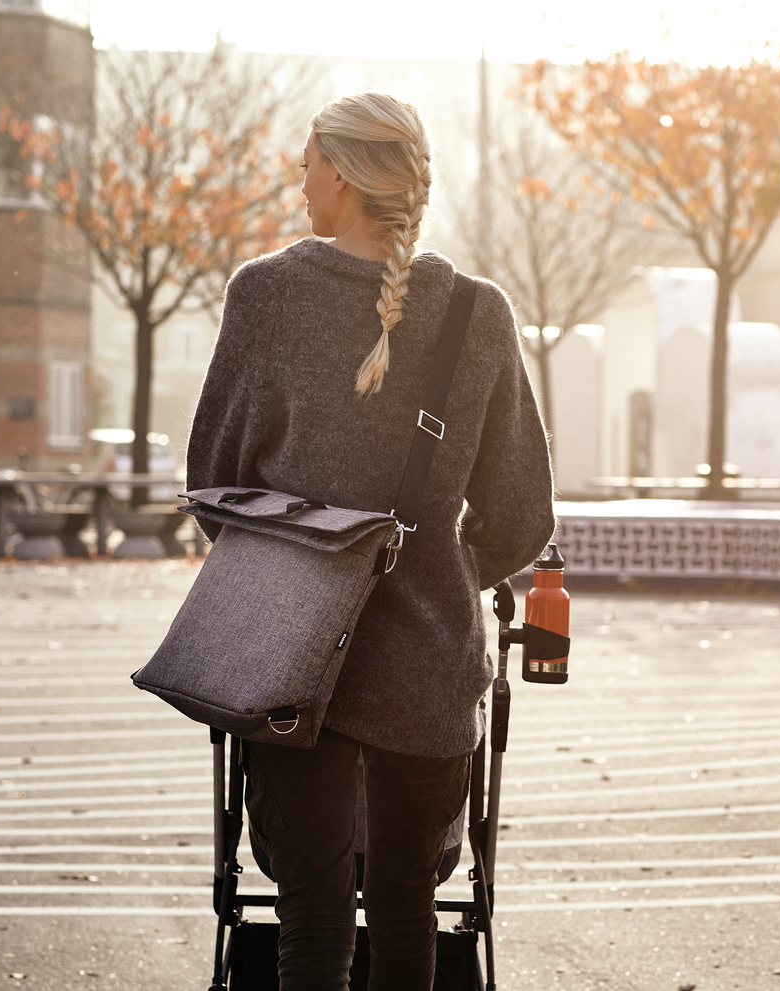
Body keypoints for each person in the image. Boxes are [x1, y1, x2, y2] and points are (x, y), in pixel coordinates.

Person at [186, 92, 555, 990]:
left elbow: (214, 481)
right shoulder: (478, 313)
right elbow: (520, 512)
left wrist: (297, 560)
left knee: (311, 915)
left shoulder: (264, 295)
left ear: (343, 173)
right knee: (405, 911)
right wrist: (441, 571)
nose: (298, 174)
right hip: (428, 665)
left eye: (307, 157)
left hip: (289, 661)